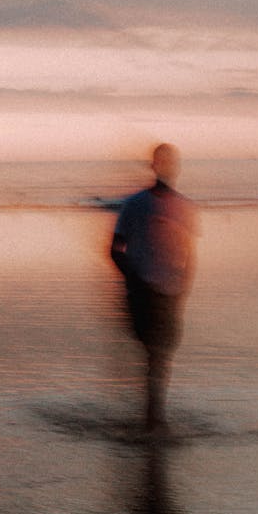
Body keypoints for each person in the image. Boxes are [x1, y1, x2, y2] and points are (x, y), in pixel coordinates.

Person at [110, 143, 198, 432]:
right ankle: (153, 418)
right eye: (163, 162)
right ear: (154, 166)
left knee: (162, 355)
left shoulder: (185, 207)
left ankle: (153, 415)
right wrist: (134, 280)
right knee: (156, 355)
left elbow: (190, 252)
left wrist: (184, 288)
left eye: (173, 163)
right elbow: (115, 249)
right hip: (143, 292)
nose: (168, 168)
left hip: (171, 294)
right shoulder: (135, 204)